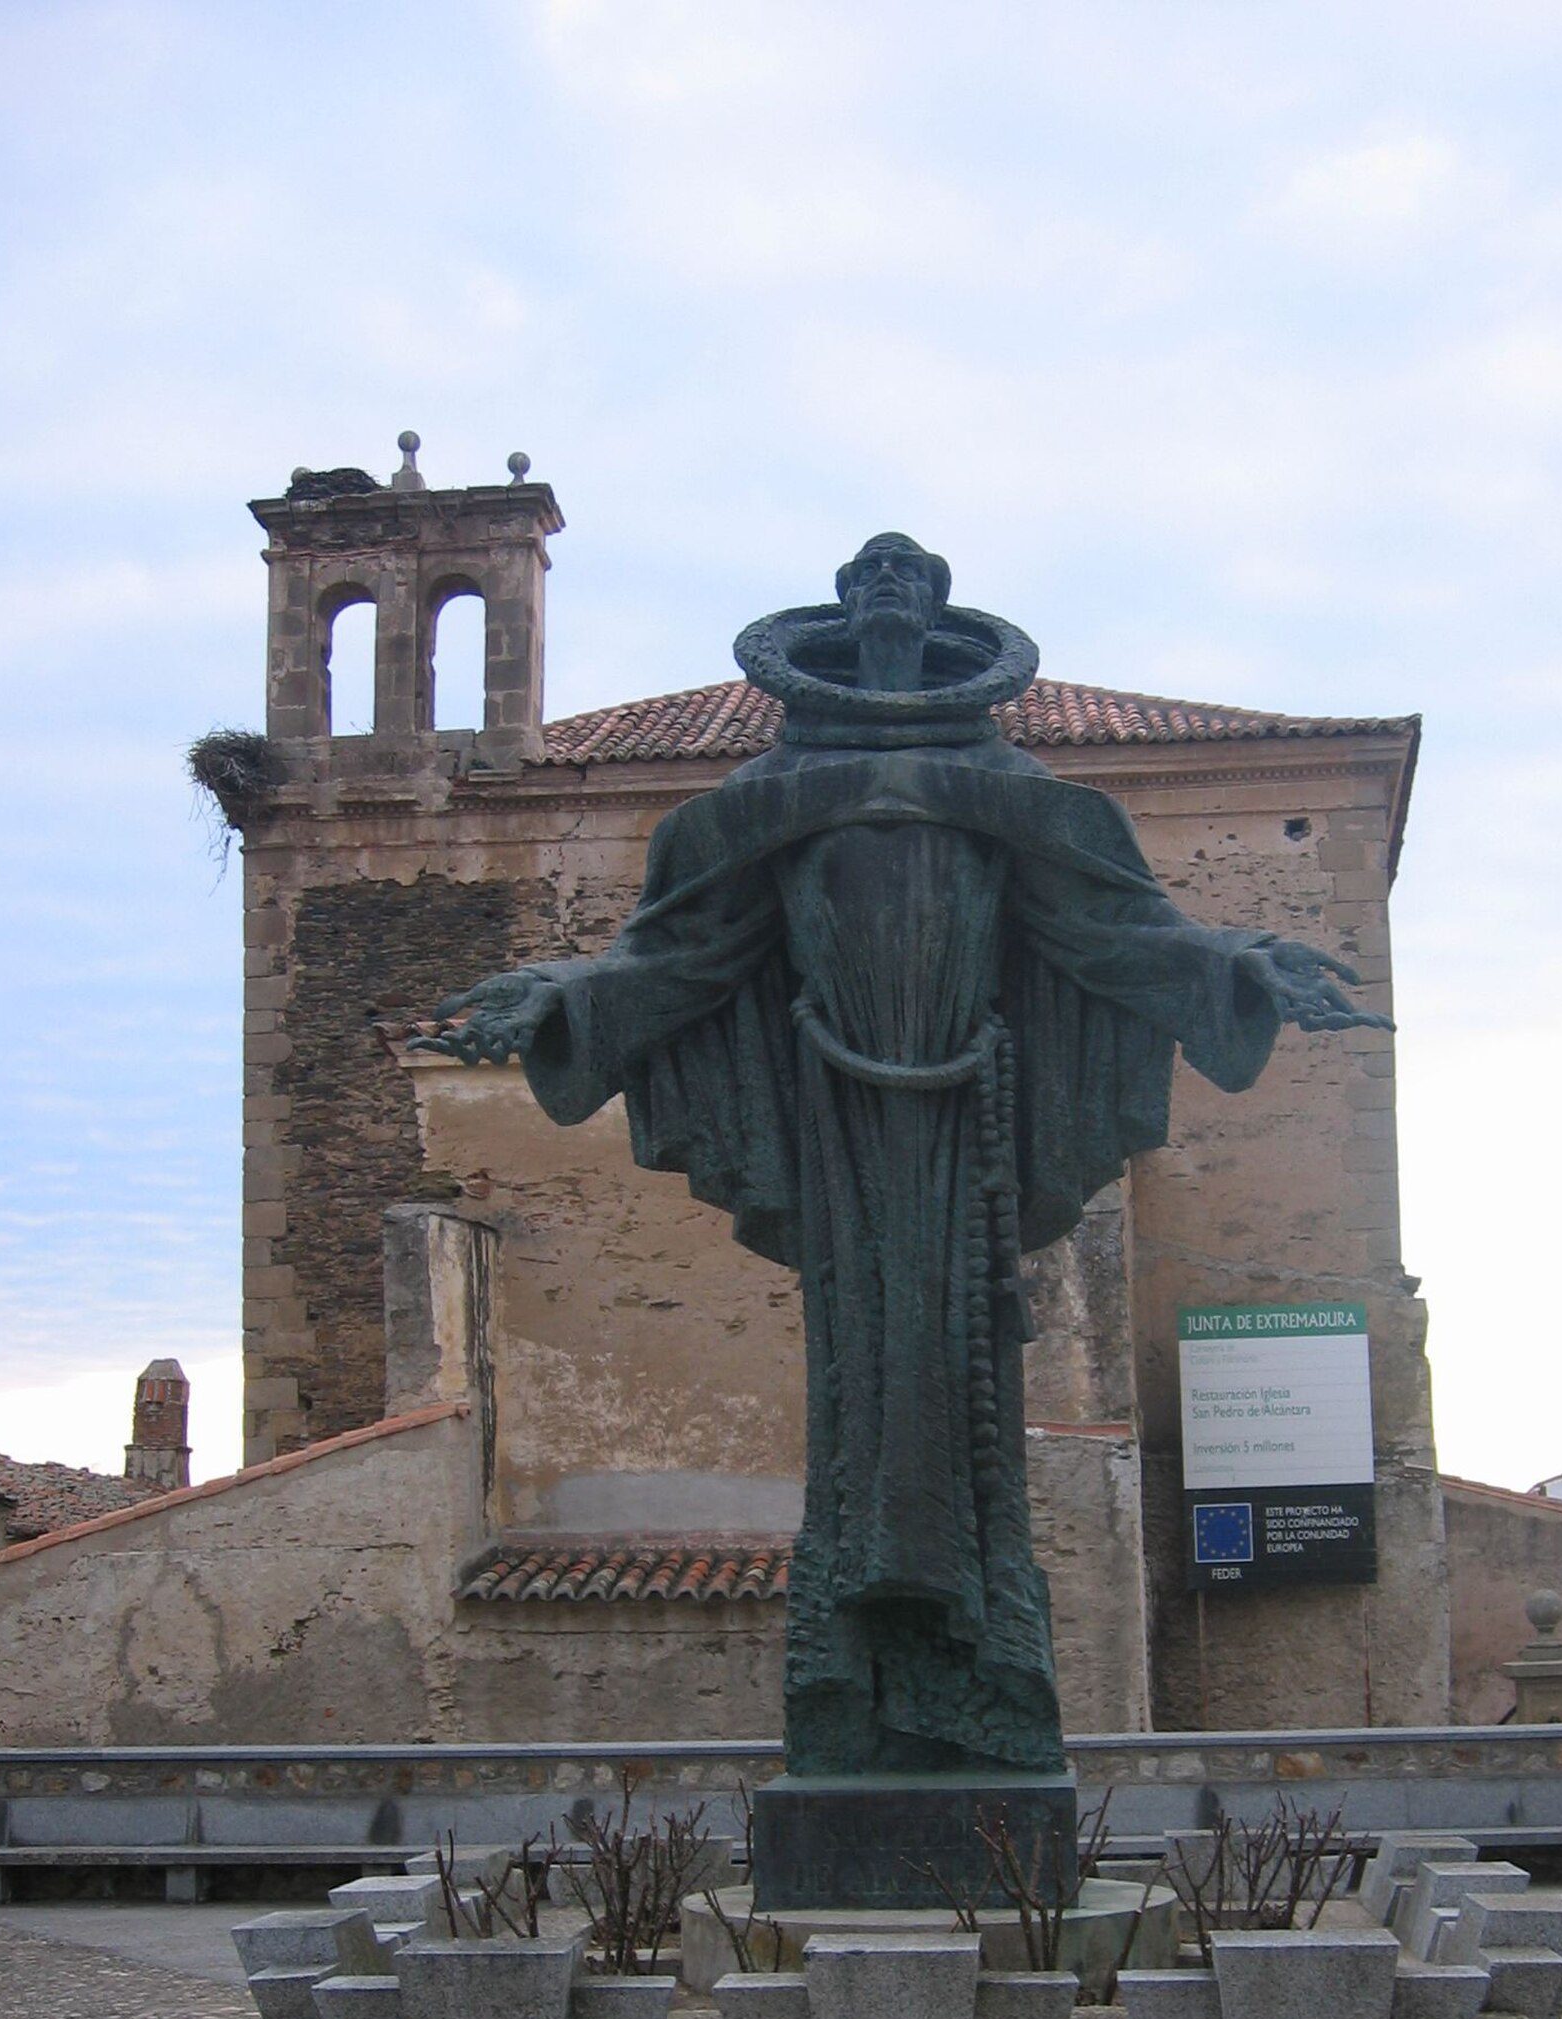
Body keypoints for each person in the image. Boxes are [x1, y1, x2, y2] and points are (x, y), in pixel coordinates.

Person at [420, 535, 1387, 1779]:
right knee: (861, 1377)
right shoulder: (765, 798)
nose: (887, 589)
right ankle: (856, 1653)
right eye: (867, 577)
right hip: (836, 1126)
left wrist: (1240, 966)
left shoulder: (1014, 789)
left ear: (938, 621)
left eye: (909, 579)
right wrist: (561, 996)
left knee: (958, 1362)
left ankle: (973, 1641)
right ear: (835, 621)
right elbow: (678, 956)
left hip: (966, 1118)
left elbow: (1115, 930)